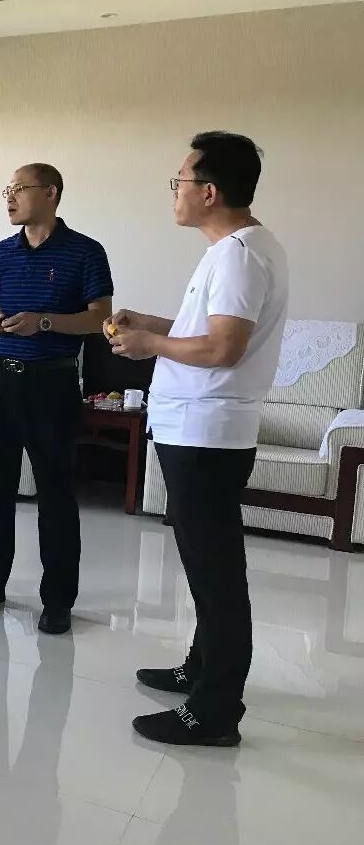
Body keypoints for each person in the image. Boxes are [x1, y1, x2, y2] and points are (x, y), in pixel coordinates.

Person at [110, 131, 287, 746]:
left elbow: (223, 349)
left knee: (216, 573)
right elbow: (207, 330)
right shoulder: (238, 248)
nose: (175, 192)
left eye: (180, 181)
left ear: (209, 192)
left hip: (207, 434)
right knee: (205, 561)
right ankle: (200, 667)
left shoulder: (239, 255)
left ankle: (215, 712)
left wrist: (148, 345)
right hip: (201, 430)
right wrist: (151, 324)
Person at [0, 164, 113, 635]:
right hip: (1, 381)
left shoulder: (86, 251)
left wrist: (43, 322)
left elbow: (99, 319)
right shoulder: (2, 252)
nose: (10, 197)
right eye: (7, 190)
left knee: (56, 495)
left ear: (51, 193)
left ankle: (58, 600)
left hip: (52, 385)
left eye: (19, 189)